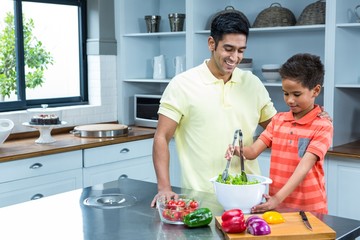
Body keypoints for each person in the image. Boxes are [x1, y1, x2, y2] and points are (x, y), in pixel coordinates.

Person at [150, 10, 277, 208]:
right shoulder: (182, 85)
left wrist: (311, 116)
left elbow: (278, 128)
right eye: (228, 48)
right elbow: (161, 137)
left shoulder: (253, 84)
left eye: (241, 50)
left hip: (250, 199)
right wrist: (164, 187)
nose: (235, 57)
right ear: (211, 44)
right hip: (201, 200)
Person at [227, 53, 333, 214]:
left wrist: (277, 198)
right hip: (278, 207)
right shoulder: (278, 121)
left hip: (311, 209)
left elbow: (304, 167)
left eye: (296, 94)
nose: (290, 100)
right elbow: (253, 152)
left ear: (315, 90)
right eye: (285, 93)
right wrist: (236, 150)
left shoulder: (322, 125)